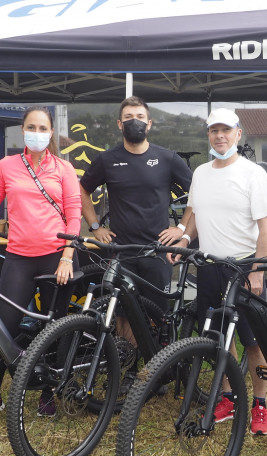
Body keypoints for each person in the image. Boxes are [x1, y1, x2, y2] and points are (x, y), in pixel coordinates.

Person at [0, 106, 82, 418]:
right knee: (2, 328)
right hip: (19, 256)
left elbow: (74, 218)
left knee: (53, 327)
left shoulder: (63, 169)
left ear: (51, 132)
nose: (37, 133)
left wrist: (67, 257)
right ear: (23, 131)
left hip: (55, 258)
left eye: (42, 128)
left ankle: (48, 391)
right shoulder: (7, 166)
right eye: (31, 127)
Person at [171, 108, 267, 435]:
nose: (220, 136)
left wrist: (257, 270)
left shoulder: (252, 173)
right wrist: (185, 235)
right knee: (218, 337)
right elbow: (193, 211)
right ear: (208, 135)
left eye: (226, 130)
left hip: (242, 268)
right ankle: (229, 397)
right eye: (214, 130)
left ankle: (260, 404)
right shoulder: (201, 173)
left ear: (238, 134)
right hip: (209, 266)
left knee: (252, 341)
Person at [79, 96, 193, 386]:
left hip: (158, 252)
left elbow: (199, 192)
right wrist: (94, 227)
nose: (135, 121)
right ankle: (127, 368)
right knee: (124, 314)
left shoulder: (167, 158)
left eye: (140, 116)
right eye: (128, 117)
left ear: (150, 123)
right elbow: (82, 190)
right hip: (122, 251)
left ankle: (157, 372)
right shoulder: (107, 159)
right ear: (120, 124)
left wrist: (181, 228)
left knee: (157, 315)